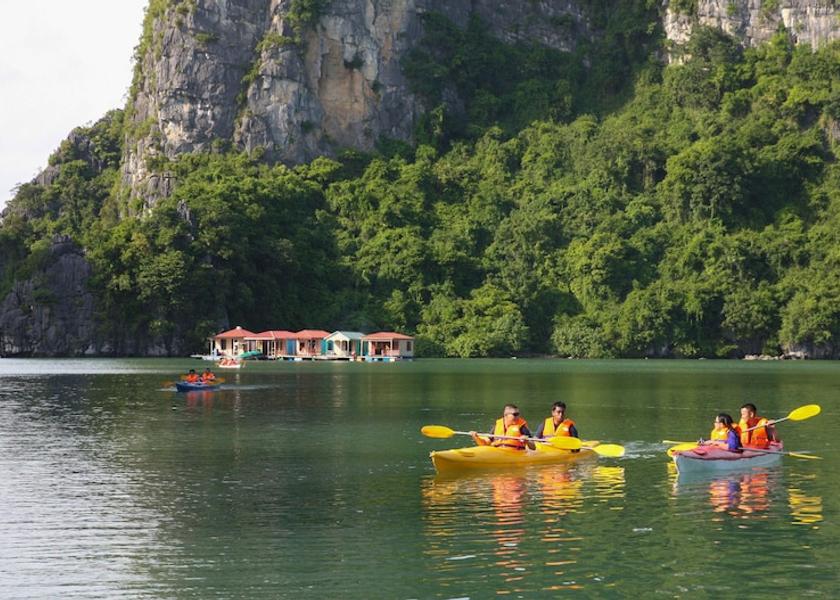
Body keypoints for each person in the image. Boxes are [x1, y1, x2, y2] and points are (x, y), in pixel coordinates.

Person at [470, 404, 536, 450]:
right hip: (497, 451)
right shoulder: (498, 425)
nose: (518, 416)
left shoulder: (522, 427)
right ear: (506, 415)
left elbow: (533, 447)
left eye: (518, 414)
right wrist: (476, 437)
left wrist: (527, 440)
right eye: (515, 414)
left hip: (515, 452)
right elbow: (486, 443)